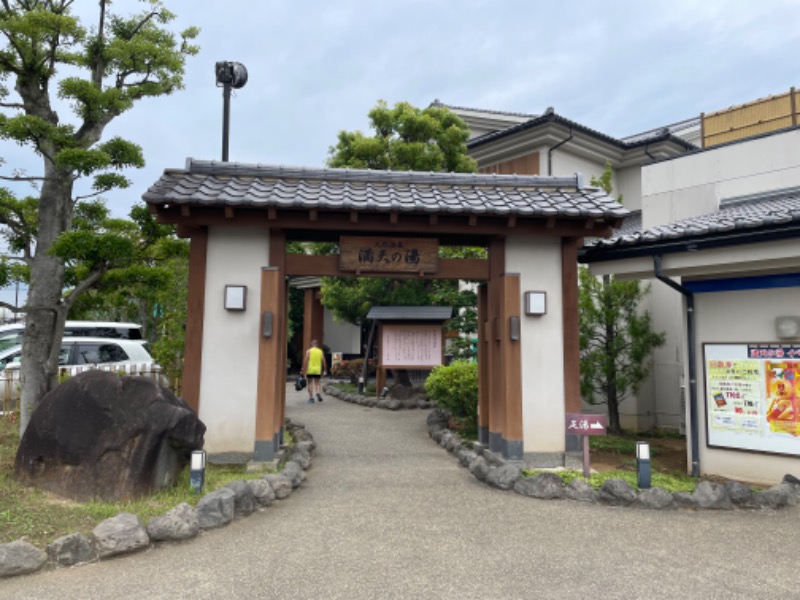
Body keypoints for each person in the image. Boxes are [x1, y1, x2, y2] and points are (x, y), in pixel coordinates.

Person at [300, 339, 327, 403]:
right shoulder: (320, 351)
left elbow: (305, 361)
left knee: (310, 383)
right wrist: (325, 370)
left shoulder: (309, 351)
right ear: (317, 344)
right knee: (317, 383)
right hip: (318, 370)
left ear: (312, 344)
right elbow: (324, 361)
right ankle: (317, 392)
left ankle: (311, 398)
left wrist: (303, 369)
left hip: (310, 370)